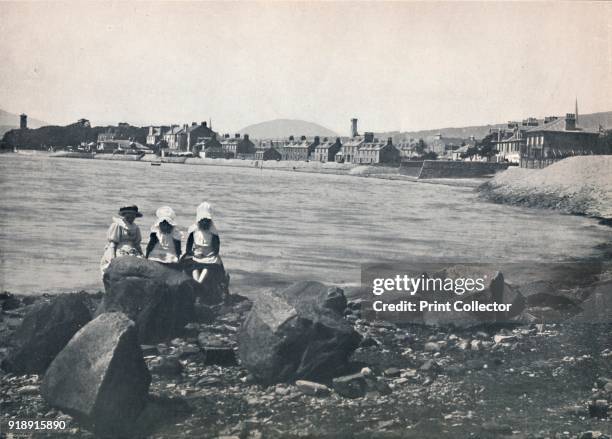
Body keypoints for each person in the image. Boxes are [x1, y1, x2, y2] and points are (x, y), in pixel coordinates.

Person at [184, 202, 223, 283]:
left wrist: (213, 253)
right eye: (203, 220)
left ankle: (199, 282)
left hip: (209, 256)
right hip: (197, 255)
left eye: (207, 221)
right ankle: (196, 281)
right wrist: (190, 252)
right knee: (194, 268)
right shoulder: (194, 230)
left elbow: (216, 247)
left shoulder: (213, 232)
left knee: (207, 268)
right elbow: (189, 243)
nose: (205, 223)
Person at [100, 205, 143, 275]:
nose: (132, 217)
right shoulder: (118, 225)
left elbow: (137, 244)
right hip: (118, 248)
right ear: (124, 215)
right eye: (129, 214)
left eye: (133, 215)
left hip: (132, 250)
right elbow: (113, 243)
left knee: (139, 266)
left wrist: (142, 254)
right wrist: (113, 257)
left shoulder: (135, 227)